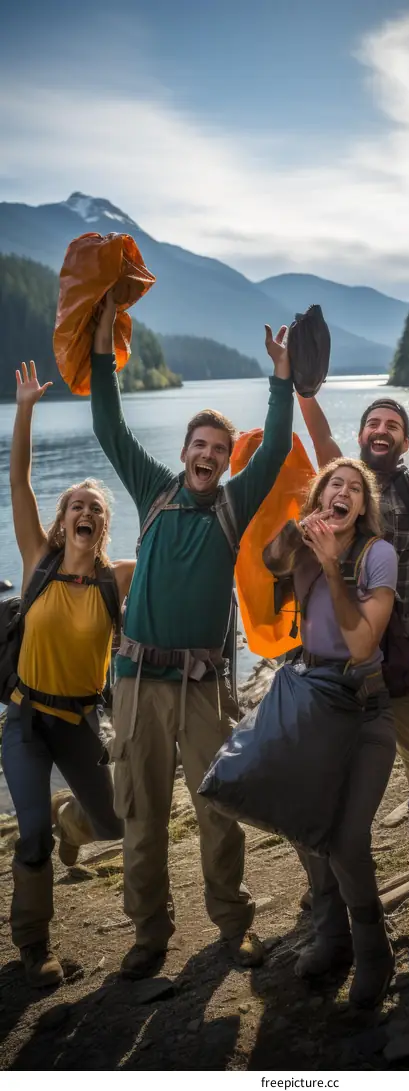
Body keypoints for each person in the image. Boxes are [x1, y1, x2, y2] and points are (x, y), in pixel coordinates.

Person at [90, 292, 293, 979]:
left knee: (218, 810)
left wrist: (281, 377)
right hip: (137, 683)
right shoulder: (152, 489)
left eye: (217, 450)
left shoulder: (236, 504)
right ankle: (149, 934)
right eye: (198, 447)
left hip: (204, 691)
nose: (207, 457)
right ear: (182, 453)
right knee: (141, 816)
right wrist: (98, 350)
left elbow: (277, 440)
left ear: (226, 460)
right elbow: (109, 424)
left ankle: (232, 923)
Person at [2, 361, 133, 988]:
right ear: (64, 520)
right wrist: (24, 406)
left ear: (103, 526)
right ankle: (34, 944)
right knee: (30, 838)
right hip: (26, 720)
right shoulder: (37, 562)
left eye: (95, 507)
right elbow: (20, 480)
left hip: (80, 722)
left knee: (111, 825)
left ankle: (70, 818)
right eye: (76, 504)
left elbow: (179, 538)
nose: (85, 511)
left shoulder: (118, 576)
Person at [263, 457, 398, 1008]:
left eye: (353, 489)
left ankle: (374, 953)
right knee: (305, 825)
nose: (343, 493)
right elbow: (270, 561)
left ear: (364, 507)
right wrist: (300, 530)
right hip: (313, 707)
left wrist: (333, 565)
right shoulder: (303, 542)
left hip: (365, 714)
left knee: (345, 838)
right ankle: (332, 937)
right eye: (332, 486)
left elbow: (364, 643)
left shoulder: (378, 555)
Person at [298, 379, 409, 788]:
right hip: (345, 642)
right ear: (360, 435)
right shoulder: (343, 486)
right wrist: (302, 384)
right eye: (373, 422)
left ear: (406, 442)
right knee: (338, 759)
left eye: (392, 425)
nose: (381, 429)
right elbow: (320, 434)